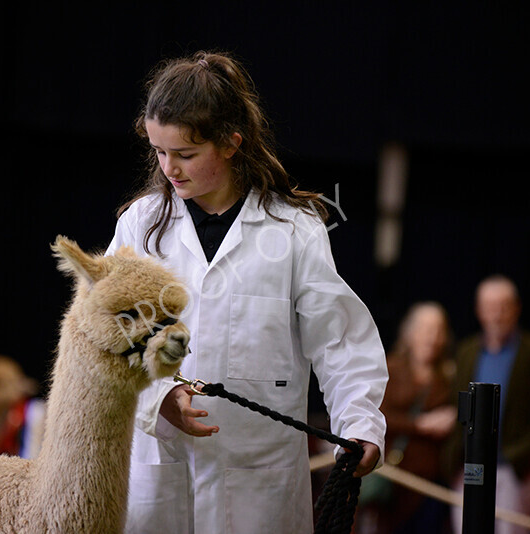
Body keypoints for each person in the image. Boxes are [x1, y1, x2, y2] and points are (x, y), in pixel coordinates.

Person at [105, 50, 388, 534]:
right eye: (158, 151)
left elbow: (339, 342)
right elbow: (105, 338)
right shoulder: (140, 224)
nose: (169, 168)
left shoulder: (296, 229)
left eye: (186, 154)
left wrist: (360, 425)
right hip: (160, 471)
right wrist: (160, 397)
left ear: (232, 143)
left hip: (260, 481)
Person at [444, 274, 530, 534]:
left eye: (504, 306)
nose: (497, 315)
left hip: (515, 470)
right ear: (479, 311)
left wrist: (522, 457)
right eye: (490, 307)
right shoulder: (466, 351)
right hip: (470, 465)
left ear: (517, 309)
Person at [356, 301, 456, 534]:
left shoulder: (449, 375)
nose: (433, 337)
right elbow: (376, 415)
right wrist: (420, 425)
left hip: (431, 485)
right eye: (426, 329)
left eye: (439, 330)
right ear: (410, 332)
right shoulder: (390, 368)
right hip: (393, 481)